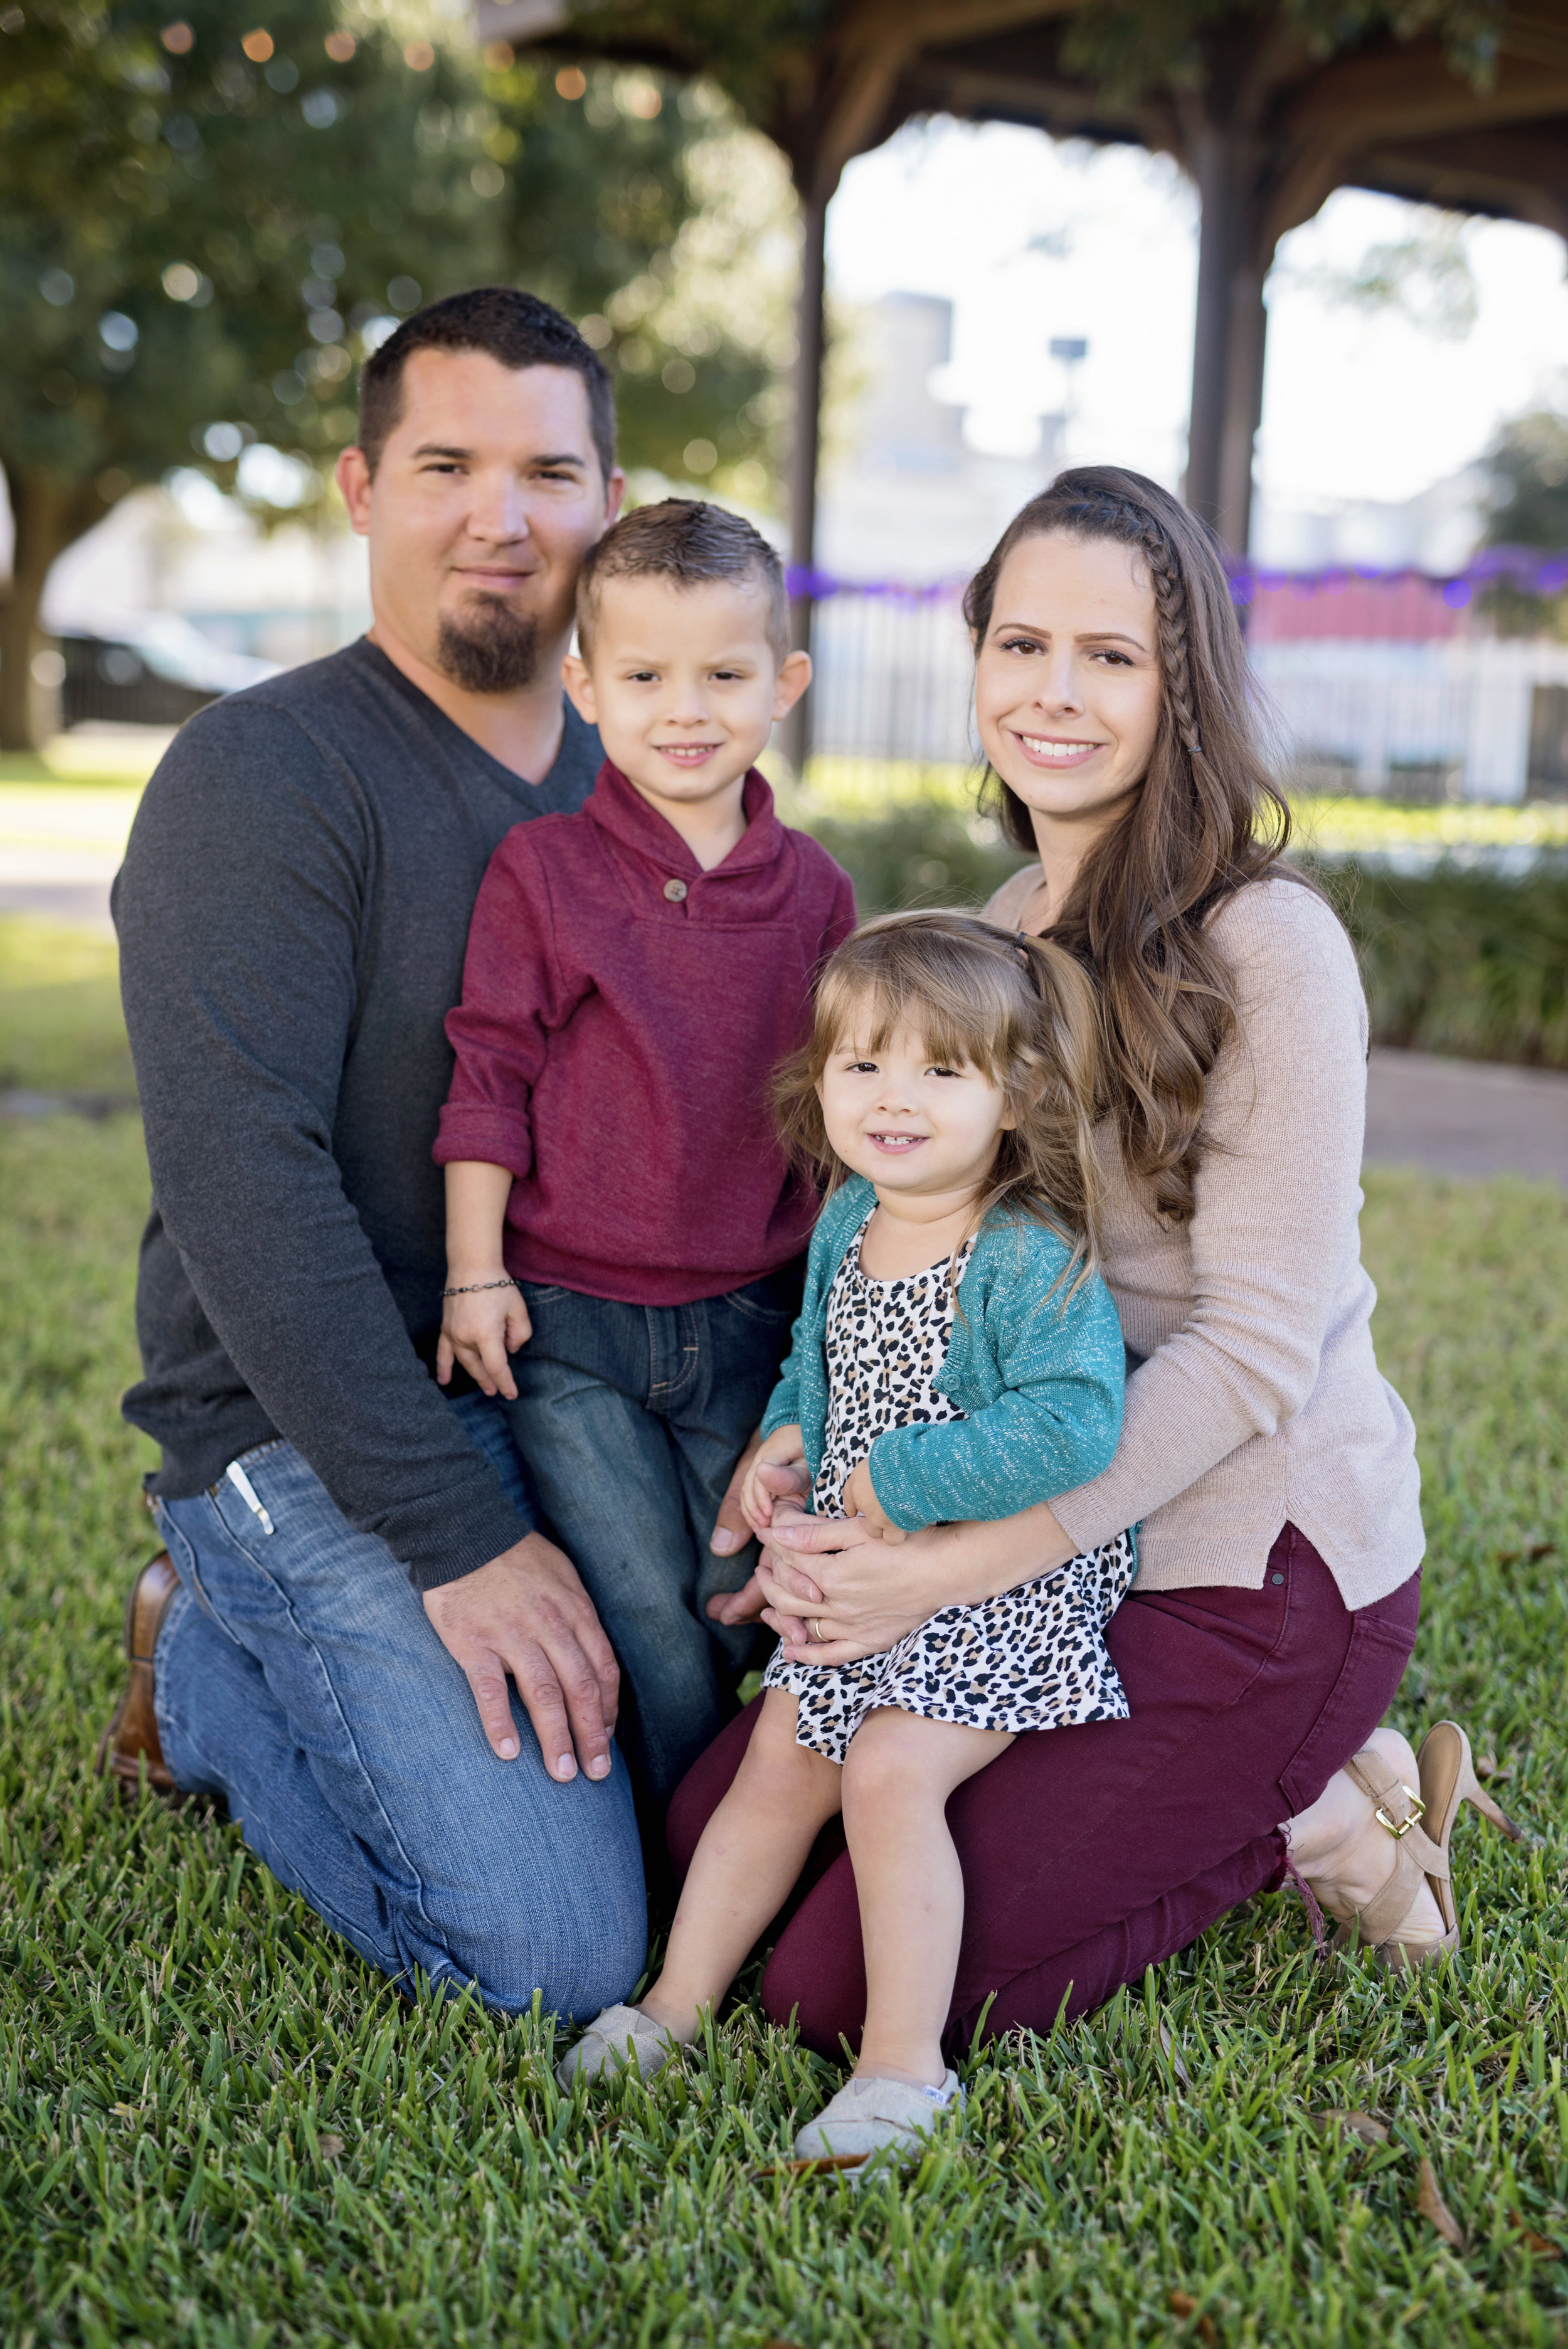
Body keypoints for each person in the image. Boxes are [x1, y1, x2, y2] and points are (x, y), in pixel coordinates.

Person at [671, 465, 1520, 2060]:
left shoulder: (1267, 944)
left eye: (1112, 656)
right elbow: (940, 1252)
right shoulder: (1001, 924)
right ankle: (1301, 1790)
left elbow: (1256, 1347)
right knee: (716, 1842)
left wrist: (948, 1562)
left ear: (1181, 686)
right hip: (1046, 1536)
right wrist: (813, 1441)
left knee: (823, 1995)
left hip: (1246, 1562)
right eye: (1021, 643)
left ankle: (1321, 1821)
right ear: (977, 657)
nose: (1054, 692)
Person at [100, 287, 674, 2019]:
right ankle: (202, 1657)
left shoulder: (641, 790)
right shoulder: (263, 775)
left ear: (607, 499)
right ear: (360, 486)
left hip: (568, 1401)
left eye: (548, 471)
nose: (500, 516)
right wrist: (454, 1538)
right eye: (446, 463)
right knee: (554, 1960)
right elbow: (239, 1182)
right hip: (297, 1423)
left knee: (733, 1787)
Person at [556, 911, 1130, 2166]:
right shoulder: (847, 1219)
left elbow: (1077, 1425)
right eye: (860, 1064)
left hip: (995, 1588)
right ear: (818, 1083)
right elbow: (819, 1372)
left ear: (1015, 1093)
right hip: (865, 1570)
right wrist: (786, 1440)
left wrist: (899, 1476)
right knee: (776, 1757)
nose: (892, 1098)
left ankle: (902, 2072)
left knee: (883, 1769)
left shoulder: (1019, 1254)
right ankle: (669, 2008)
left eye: (940, 1069)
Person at [434, 499, 856, 1810]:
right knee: (645, 1616)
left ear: (780, 686)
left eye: (723, 674)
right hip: (572, 1325)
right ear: (585, 689)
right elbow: (487, 1074)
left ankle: (743, 1820)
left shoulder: (818, 894)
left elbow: (850, 1118)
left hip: (753, 1316)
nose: (686, 709)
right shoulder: (543, 872)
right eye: (644, 676)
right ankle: (689, 1866)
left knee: (737, 1600)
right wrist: (471, 1273)